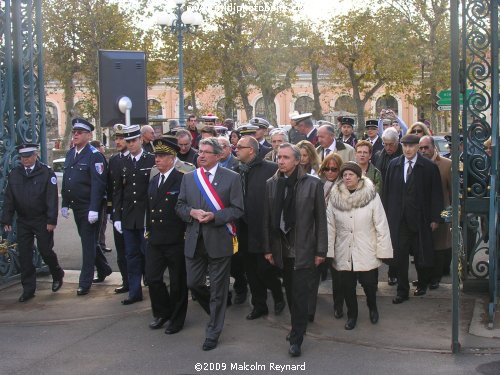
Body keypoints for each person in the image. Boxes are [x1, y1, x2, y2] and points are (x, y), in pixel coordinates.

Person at [175, 137, 244, 351]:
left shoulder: (232, 178)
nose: (201, 155)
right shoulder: (189, 178)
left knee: (218, 290)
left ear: (217, 155)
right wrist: (191, 213)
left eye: (206, 152)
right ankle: (216, 311)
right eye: (200, 151)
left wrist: (214, 217)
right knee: (193, 283)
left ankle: (213, 330)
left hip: (219, 240)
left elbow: (238, 209)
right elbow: (180, 205)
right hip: (195, 240)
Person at [263, 143, 327, 357]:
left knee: (300, 295)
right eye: (279, 157)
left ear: (298, 160)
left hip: (304, 248)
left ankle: (297, 337)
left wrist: (320, 251)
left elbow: (321, 220)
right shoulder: (272, 184)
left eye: (286, 157)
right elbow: (267, 220)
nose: (281, 161)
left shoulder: (312, 184)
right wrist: (268, 248)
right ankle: (296, 326)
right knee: (290, 292)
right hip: (281, 248)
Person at [327, 161, 393, 330]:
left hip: (366, 249)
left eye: (351, 174)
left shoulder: (371, 196)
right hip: (343, 250)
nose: (347, 177)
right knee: (347, 287)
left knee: (370, 285)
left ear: (359, 177)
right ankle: (352, 315)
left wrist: (383, 250)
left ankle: (373, 307)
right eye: (344, 175)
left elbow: (381, 224)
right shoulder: (335, 197)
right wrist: (328, 252)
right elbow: (330, 226)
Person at [382, 134, 443, 303]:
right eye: (405, 146)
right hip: (399, 220)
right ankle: (402, 291)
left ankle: (422, 284)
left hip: (420, 219)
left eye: (411, 146)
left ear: (417, 147)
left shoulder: (429, 167)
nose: (408, 149)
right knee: (399, 256)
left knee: (421, 254)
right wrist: (386, 217)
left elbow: (436, 195)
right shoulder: (394, 165)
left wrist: (435, 218)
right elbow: (386, 193)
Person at [2, 143, 64, 302]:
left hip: (42, 219)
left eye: (29, 156)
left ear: (36, 155)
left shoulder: (46, 173)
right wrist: (7, 218)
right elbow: (9, 198)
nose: (26, 160)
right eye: (23, 157)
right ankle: (28, 289)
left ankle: (57, 273)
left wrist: (51, 220)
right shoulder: (15, 174)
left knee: (45, 250)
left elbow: (51, 199)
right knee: (24, 254)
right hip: (24, 220)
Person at [235, 136, 285, 320]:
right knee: (250, 272)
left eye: (240, 147)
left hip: (264, 230)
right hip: (244, 230)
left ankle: (278, 295)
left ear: (251, 150)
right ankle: (259, 305)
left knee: (265, 270)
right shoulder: (236, 171)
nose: (236, 149)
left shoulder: (271, 169)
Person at [61, 118, 111, 296]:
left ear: (89, 135)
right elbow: (67, 180)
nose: (75, 135)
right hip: (76, 206)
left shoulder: (94, 155)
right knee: (89, 241)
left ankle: (85, 281)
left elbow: (98, 184)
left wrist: (94, 208)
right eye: (74, 132)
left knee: (87, 245)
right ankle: (104, 269)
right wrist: (65, 203)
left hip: (89, 207)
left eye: (79, 132)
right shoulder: (71, 153)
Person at [145, 138, 188, 334]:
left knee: (178, 282)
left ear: (172, 158)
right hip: (155, 239)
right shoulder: (154, 180)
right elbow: (149, 209)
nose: (158, 160)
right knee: (153, 278)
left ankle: (177, 319)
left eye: (162, 156)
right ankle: (162, 312)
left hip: (175, 239)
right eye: (156, 156)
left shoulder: (182, 179)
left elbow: (187, 208)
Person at [113, 124, 155, 305]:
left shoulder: (151, 160)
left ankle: (153, 288)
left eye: (133, 140)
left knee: (148, 254)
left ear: (140, 140)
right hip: (129, 216)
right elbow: (118, 191)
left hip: (146, 215)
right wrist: (116, 216)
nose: (130, 144)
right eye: (127, 141)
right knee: (131, 255)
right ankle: (134, 291)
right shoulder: (120, 162)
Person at [313, 152, 344, 320]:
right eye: (327, 169)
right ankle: (310, 302)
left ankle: (338, 305)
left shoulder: (344, 186)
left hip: (337, 236)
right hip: (319, 233)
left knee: (338, 273)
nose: (330, 172)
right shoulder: (318, 184)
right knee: (316, 269)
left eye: (334, 169)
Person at [419, 136, 452, 289]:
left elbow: (452, 193)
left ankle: (436, 278)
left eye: (426, 147)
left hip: (442, 211)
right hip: (423, 212)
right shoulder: (418, 163)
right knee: (424, 246)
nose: (423, 151)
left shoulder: (447, 165)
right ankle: (425, 278)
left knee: (439, 245)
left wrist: (449, 214)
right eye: (421, 148)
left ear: (433, 147)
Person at [107, 124, 129, 294]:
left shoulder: (141, 159)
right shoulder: (114, 160)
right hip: (119, 212)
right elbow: (111, 189)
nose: (118, 141)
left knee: (137, 251)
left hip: (135, 212)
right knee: (121, 251)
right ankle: (126, 280)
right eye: (117, 138)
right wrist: (112, 212)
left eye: (122, 138)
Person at [90, 140, 111, 254]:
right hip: (99, 197)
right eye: (102, 145)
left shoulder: (102, 158)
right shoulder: (96, 158)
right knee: (99, 223)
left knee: (103, 223)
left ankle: (101, 244)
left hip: (105, 195)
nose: (104, 147)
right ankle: (98, 245)